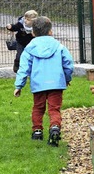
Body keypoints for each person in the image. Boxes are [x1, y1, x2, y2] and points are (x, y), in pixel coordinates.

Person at [14, 16, 74, 147]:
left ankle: (37, 131)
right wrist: (67, 78)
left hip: (38, 83)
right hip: (56, 83)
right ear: (50, 31)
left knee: (38, 108)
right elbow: (68, 64)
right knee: (54, 109)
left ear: (33, 33)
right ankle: (54, 128)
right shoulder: (59, 46)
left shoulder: (30, 48)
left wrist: (19, 85)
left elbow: (23, 68)